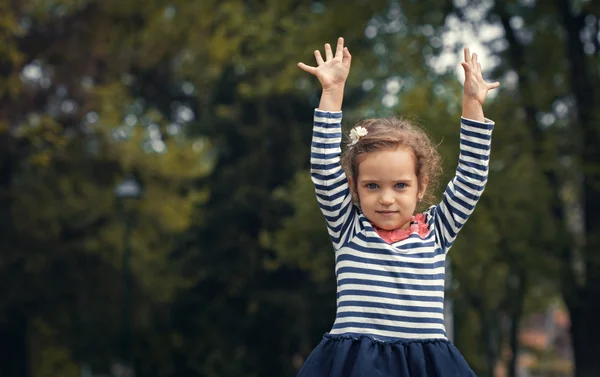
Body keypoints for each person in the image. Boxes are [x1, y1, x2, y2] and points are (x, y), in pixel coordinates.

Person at [295, 37, 500, 376]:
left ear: (421, 187)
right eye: (372, 186)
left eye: (401, 185)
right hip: (356, 363)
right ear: (354, 189)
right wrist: (331, 93)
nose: (387, 198)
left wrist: (472, 103)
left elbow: (472, 177)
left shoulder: (436, 231)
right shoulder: (348, 229)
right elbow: (323, 168)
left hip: (425, 364)